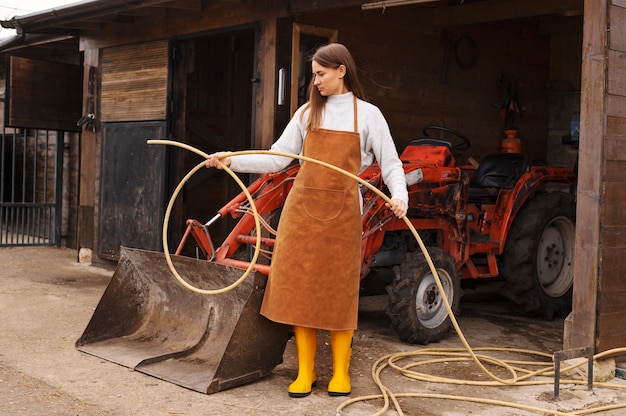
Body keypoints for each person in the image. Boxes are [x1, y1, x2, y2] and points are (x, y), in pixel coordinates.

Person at [205, 43, 408, 398]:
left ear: (341, 70)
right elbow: (276, 159)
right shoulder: (306, 114)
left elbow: (391, 163)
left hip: (344, 214)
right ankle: (306, 372)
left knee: (339, 292)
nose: (315, 82)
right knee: (302, 290)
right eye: (313, 75)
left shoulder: (369, 115)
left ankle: (340, 373)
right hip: (301, 213)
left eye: (320, 74)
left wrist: (400, 196)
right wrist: (231, 160)